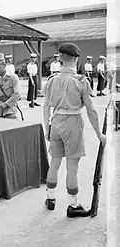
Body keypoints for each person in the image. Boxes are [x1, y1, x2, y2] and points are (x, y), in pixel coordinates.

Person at [43, 43, 106, 218]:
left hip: (55, 121)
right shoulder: (81, 81)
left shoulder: (51, 80)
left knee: (55, 162)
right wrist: (99, 134)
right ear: (76, 59)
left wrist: (47, 127)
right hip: (72, 121)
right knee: (72, 166)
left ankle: (51, 198)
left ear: (60, 58)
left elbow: (46, 106)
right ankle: (73, 205)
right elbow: (91, 111)